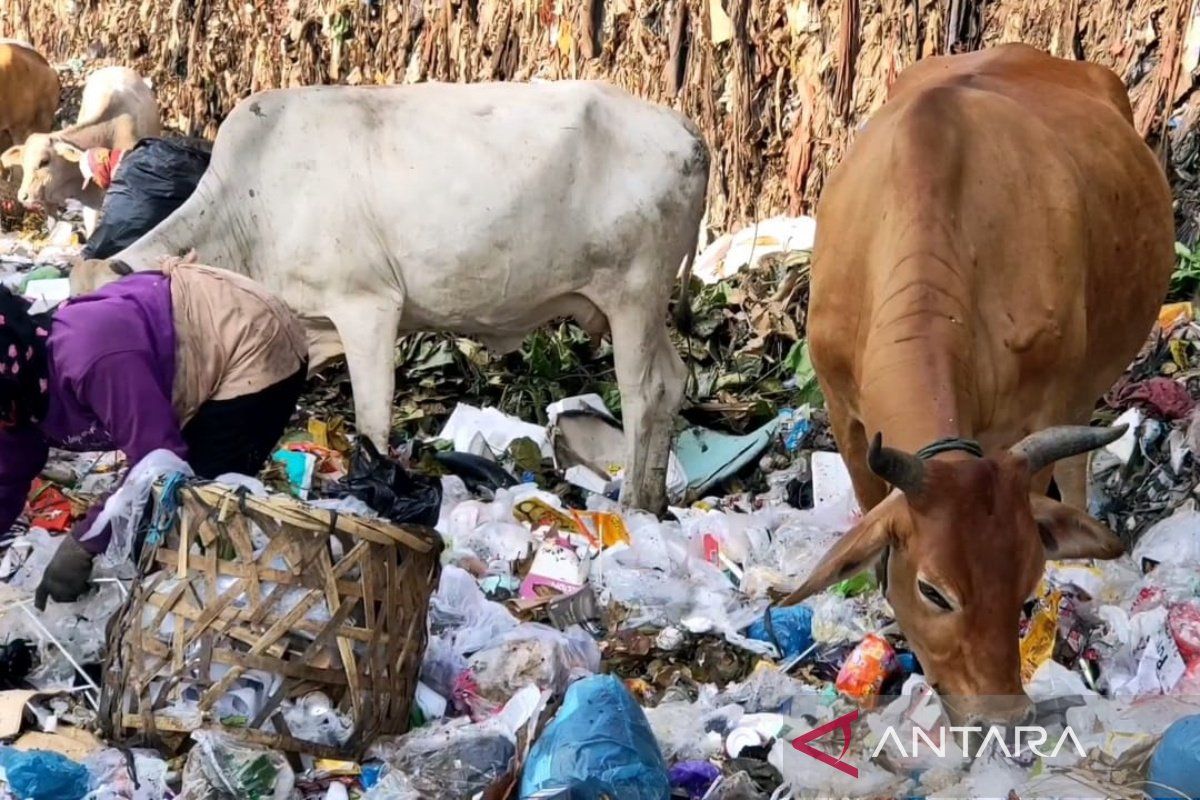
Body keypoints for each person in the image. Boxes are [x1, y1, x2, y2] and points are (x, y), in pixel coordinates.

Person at [0, 258, 310, 608]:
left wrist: (83, 543)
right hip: (180, 360)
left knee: (193, 511)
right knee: (151, 526)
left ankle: (202, 628)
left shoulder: (88, 357)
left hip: (247, 338)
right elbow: (7, 474)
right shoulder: (15, 395)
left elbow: (160, 461)